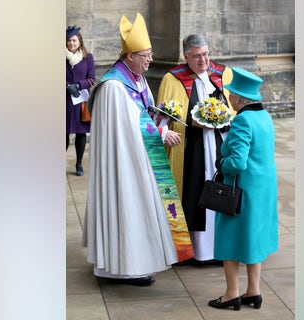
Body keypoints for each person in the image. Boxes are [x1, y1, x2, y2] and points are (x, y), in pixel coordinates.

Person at [82, 13, 193, 286]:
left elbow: (141, 115)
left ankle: (134, 263)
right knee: (125, 207)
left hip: (139, 160)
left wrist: (161, 121)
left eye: (150, 54)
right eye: (145, 55)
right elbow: (125, 130)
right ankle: (121, 269)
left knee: (137, 210)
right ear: (128, 56)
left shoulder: (138, 79)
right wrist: (160, 133)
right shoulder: (114, 87)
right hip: (123, 164)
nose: (150, 60)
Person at [156, 34, 233, 265]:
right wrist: (189, 123)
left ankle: (223, 247)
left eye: (206, 54)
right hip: (192, 150)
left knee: (224, 192)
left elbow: (236, 107)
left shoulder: (222, 73)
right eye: (197, 56)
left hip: (221, 144)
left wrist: (224, 118)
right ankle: (197, 250)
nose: (204, 60)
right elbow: (164, 117)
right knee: (195, 194)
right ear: (186, 56)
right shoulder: (173, 79)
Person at [207, 67, 278, 310]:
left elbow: (237, 162)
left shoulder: (242, 120)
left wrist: (220, 163)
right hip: (263, 190)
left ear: (238, 98)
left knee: (231, 241)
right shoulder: (264, 117)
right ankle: (253, 292)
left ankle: (231, 294)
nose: (229, 98)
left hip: (242, 192)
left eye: (230, 94)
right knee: (253, 240)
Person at [66, 25, 96, 176]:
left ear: (80, 41)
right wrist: (66, 86)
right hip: (64, 102)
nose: (71, 43)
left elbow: (92, 79)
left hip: (81, 102)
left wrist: (78, 85)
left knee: (81, 134)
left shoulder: (87, 58)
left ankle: (78, 164)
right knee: (62, 134)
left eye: (74, 40)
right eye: (69, 41)